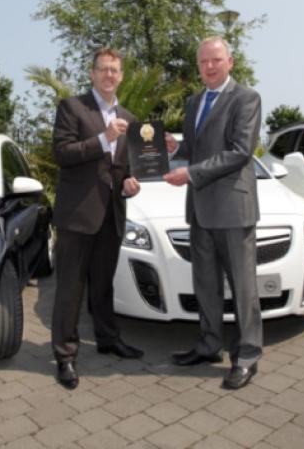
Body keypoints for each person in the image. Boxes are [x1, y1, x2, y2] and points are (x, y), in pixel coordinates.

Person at [163, 36, 263, 390]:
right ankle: (208, 345)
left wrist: (189, 173)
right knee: (205, 284)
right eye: (203, 61)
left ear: (230, 62)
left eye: (216, 60)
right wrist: (177, 147)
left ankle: (248, 355)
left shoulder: (246, 98)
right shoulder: (194, 102)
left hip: (233, 209)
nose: (209, 66)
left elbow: (239, 151)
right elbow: (194, 148)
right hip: (200, 210)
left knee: (243, 287)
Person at [50, 47, 143, 390]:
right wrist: (104, 138)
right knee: (70, 289)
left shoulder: (130, 118)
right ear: (92, 73)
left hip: (111, 214)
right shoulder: (73, 108)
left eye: (115, 71)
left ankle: (108, 339)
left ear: (121, 76)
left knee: (103, 284)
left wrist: (130, 183)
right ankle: (65, 355)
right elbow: (62, 153)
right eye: (103, 69)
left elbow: (124, 170)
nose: (109, 76)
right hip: (77, 215)